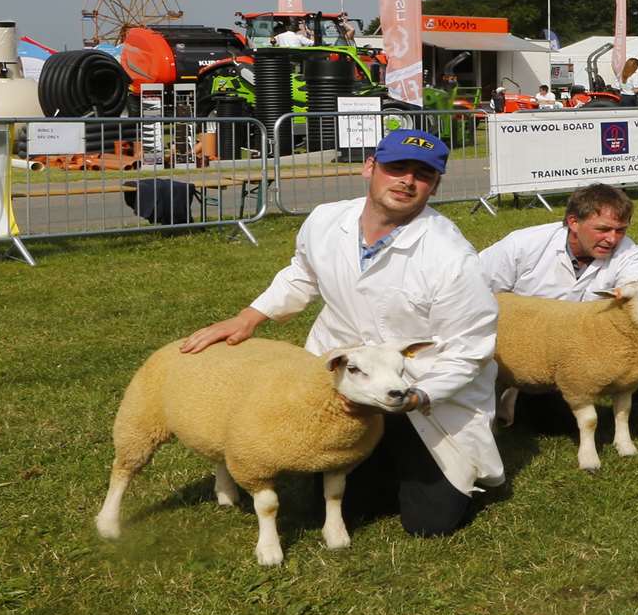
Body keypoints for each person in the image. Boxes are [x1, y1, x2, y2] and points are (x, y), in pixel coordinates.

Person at [178, 129, 500, 536]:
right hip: (346, 379)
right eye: (396, 167)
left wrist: (416, 396)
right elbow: (301, 275)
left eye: (423, 174)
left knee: (430, 523)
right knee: (328, 508)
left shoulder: (451, 258)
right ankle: (373, 457)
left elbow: (469, 350)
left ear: (434, 185)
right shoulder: (326, 221)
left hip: (422, 391)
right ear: (370, 167)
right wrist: (248, 317)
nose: (407, 181)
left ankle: (400, 452)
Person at [478, 184, 638, 427]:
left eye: (620, 230)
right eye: (603, 229)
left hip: (585, 350)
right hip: (528, 348)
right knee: (550, 422)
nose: (612, 239)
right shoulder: (522, 246)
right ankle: (510, 391)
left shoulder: (629, 254)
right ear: (573, 222)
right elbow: (473, 289)